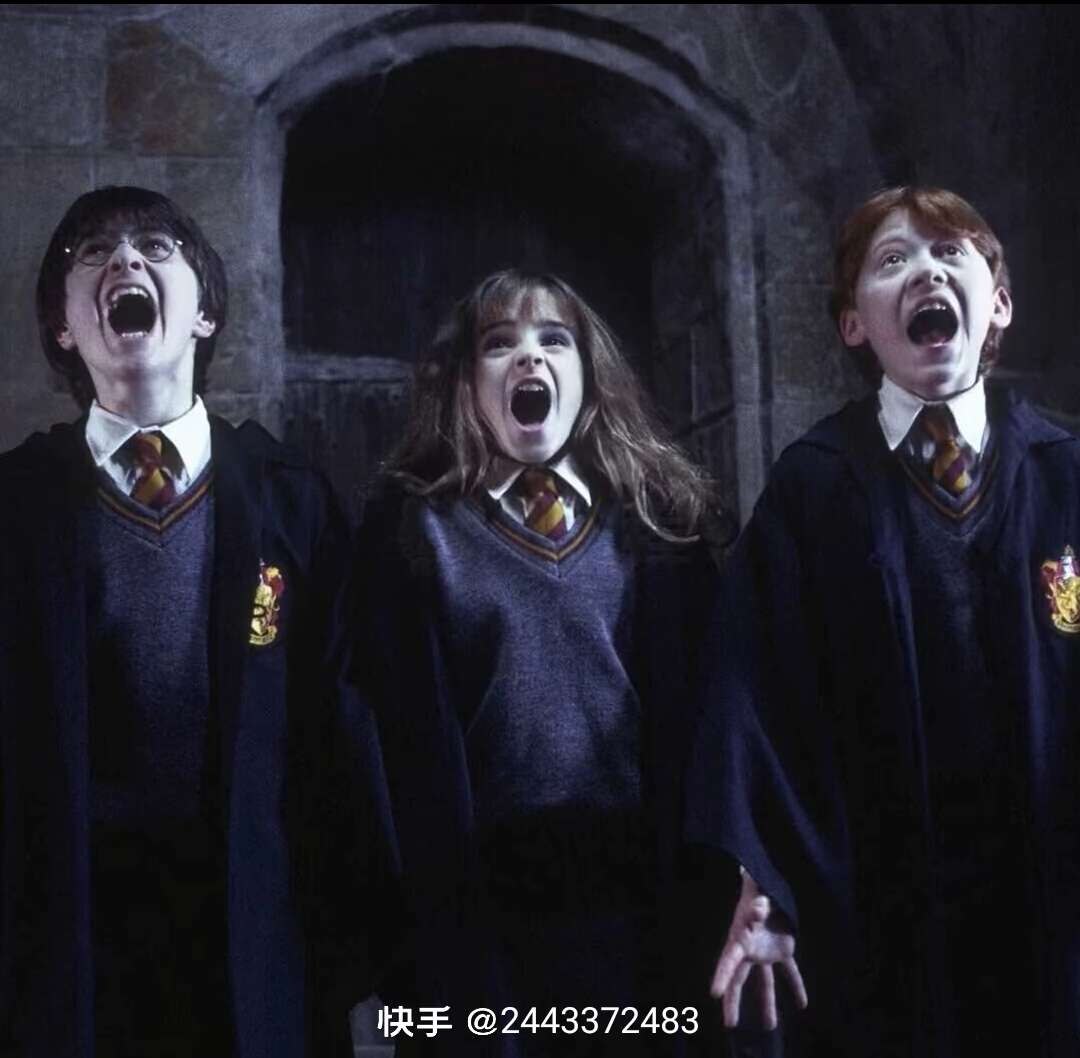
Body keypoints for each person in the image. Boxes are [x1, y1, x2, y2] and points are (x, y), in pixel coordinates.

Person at [0, 186, 395, 1058]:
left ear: (205, 312)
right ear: (63, 326)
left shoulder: (291, 502)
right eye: (93, 253)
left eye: (155, 247)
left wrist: (365, 955)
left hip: (253, 934)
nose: (124, 261)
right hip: (68, 942)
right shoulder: (16, 508)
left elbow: (342, 735)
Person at [689, 185, 1080, 1058]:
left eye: (949, 253)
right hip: (883, 912)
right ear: (854, 325)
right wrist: (764, 879)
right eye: (892, 261)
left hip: (1050, 897)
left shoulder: (1066, 474)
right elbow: (756, 698)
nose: (924, 272)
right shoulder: (814, 487)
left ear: (999, 305)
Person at [356, 270, 733, 1054]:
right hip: (478, 924)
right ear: (466, 384)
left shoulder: (662, 526)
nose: (529, 357)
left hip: (643, 910)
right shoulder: (412, 536)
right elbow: (385, 755)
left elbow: (716, 728)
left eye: (553, 340)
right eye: (501, 344)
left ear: (589, 377)